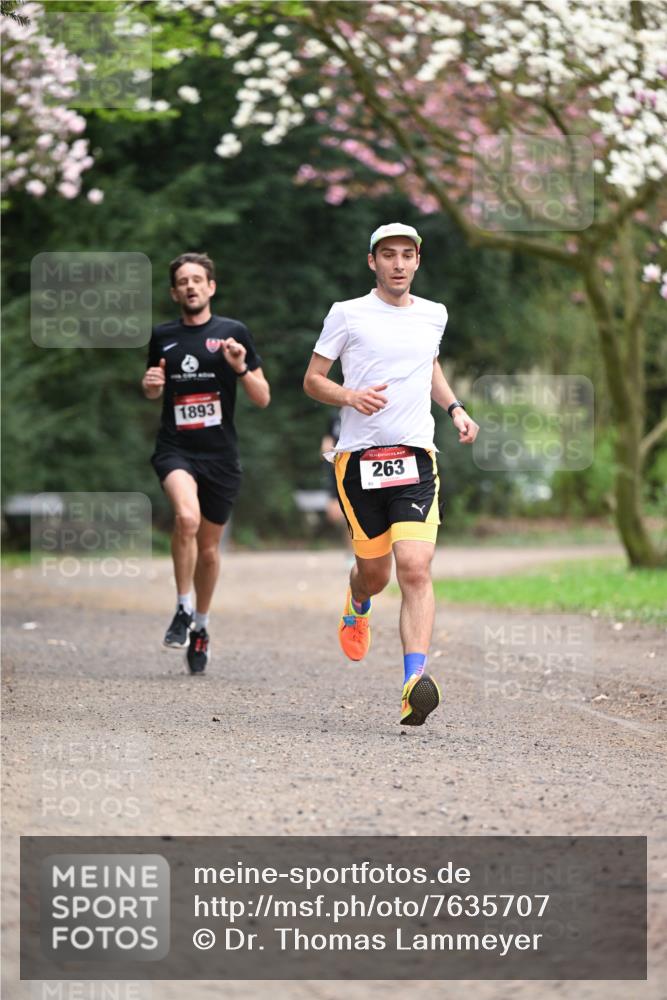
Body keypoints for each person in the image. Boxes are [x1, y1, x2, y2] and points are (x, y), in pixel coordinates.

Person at [303, 223, 479, 726]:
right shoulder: (347, 314)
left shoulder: (433, 315)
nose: (398, 263)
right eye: (388, 255)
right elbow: (313, 380)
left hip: (416, 458)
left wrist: (455, 409)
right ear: (372, 262)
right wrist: (349, 396)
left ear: (418, 261)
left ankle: (412, 683)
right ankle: (357, 599)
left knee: (416, 568)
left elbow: (429, 368)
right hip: (358, 461)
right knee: (377, 575)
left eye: (407, 255)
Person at [142, 252, 270, 673]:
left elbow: (262, 396)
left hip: (220, 455)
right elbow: (153, 388)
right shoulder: (162, 336)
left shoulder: (233, 333)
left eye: (198, 279)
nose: (191, 286)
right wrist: (150, 385)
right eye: (183, 281)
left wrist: (240, 368)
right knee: (186, 519)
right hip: (176, 448)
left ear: (211, 287)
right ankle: (182, 607)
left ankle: (200, 625)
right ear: (174, 291)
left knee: (210, 551)